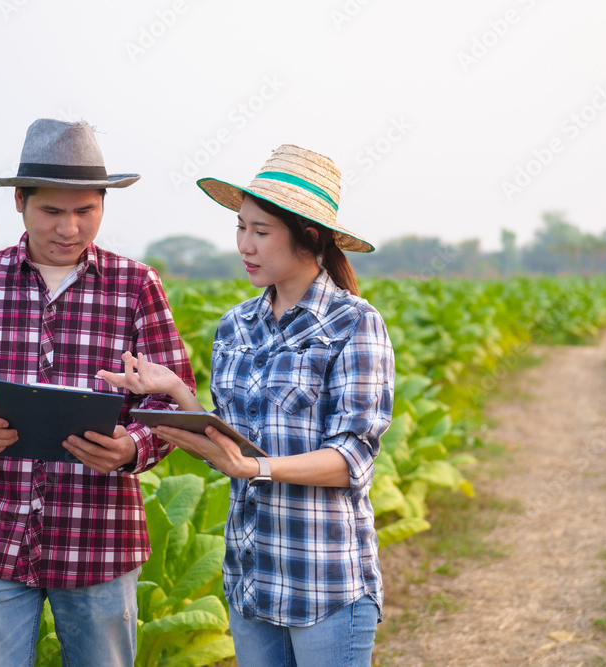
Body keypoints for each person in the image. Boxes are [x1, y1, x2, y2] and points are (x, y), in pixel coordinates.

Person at [0, 118, 195, 666]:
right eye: (52, 211)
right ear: (20, 201)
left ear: (102, 206)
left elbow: (168, 400)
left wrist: (133, 447)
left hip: (99, 536)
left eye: (85, 211)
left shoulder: (137, 286)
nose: (70, 228)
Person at [99, 144, 394, 666]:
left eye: (261, 231)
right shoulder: (236, 325)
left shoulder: (355, 322)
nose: (245, 245)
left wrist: (255, 467)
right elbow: (232, 436)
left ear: (308, 237)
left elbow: (352, 459)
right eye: (240, 228)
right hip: (251, 574)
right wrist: (176, 393)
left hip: (324, 577)